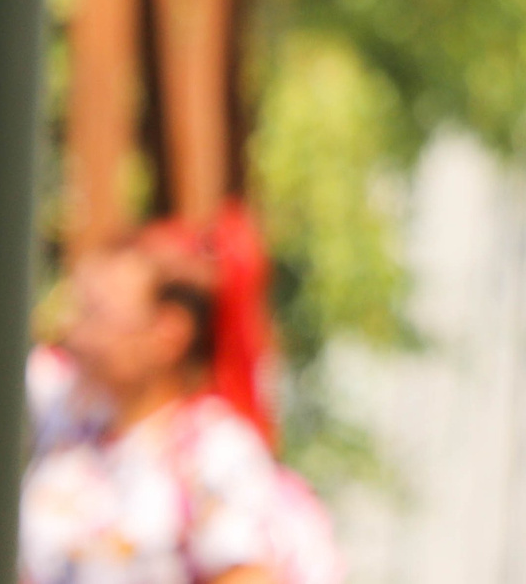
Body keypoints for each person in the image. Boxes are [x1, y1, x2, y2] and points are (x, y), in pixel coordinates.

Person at [20, 215, 339, 584]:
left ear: (168, 333)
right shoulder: (65, 415)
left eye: (97, 315)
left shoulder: (211, 452)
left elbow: (248, 573)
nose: (74, 332)